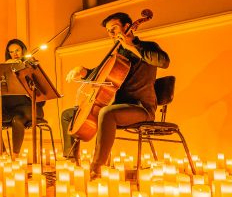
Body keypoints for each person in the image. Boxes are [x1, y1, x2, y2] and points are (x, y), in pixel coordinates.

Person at [60, 12, 169, 175]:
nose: (111, 34)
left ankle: (97, 168)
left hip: (141, 108)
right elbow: (98, 76)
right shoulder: (118, 55)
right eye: (108, 31)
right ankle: (70, 161)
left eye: (114, 29)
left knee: (106, 113)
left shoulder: (148, 47)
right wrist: (82, 71)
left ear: (127, 27)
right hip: (118, 108)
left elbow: (163, 62)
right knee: (68, 115)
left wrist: (130, 46)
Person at [0, 39, 44, 155]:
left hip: (28, 108)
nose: (15, 54)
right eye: (11, 52)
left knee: (17, 120)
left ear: (23, 51)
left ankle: (15, 156)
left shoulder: (32, 66)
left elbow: (43, 95)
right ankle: (4, 154)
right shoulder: (6, 68)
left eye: (17, 50)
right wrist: (6, 68)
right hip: (8, 107)